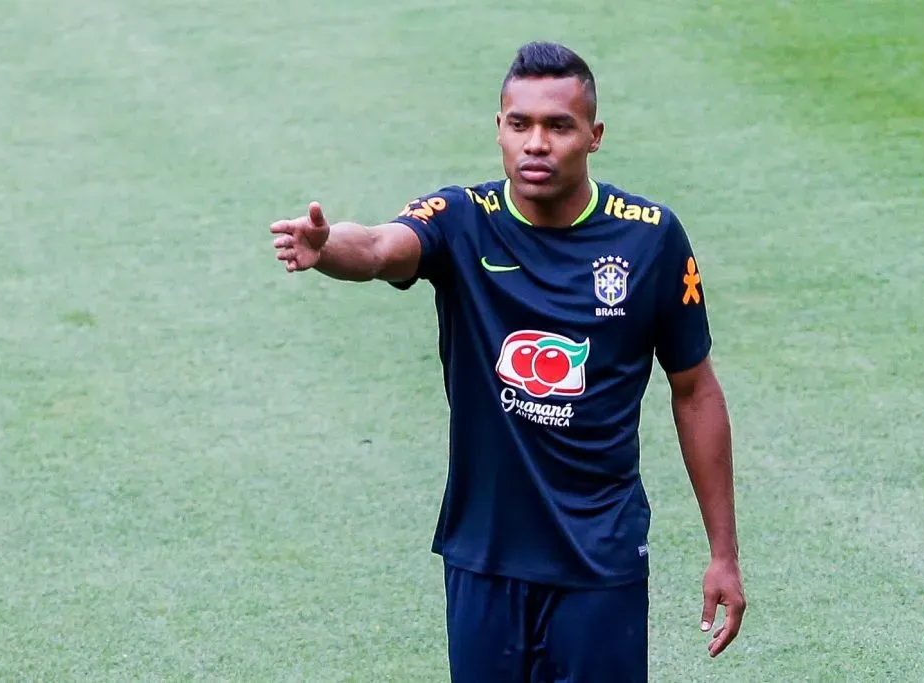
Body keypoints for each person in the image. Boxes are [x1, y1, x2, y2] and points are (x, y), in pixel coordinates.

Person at [269, 40, 745, 683]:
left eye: (558, 126)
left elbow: (695, 390)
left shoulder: (651, 238)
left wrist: (724, 552)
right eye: (520, 124)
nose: (536, 143)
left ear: (594, 136)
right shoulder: (463, 221)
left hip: (598, 561)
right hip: (484, 555)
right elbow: (382, 246)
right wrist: (327, 249)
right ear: (499, 128)